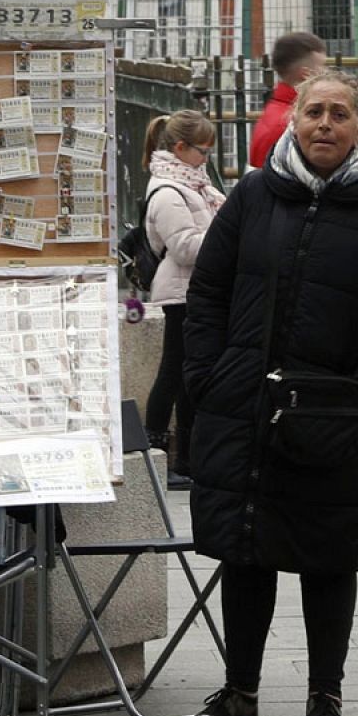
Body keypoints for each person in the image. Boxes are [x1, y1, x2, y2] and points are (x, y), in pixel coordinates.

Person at [181, 71, 358, 716]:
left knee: (327, 558)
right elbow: (207, 292)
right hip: (243, 407)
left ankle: (326, 697)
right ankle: (240, 695)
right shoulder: (254, 196)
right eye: (313, 112)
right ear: (294, 123)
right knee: (245, 551)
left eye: (340, 114)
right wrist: (210, 375)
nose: (325, 123)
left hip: (333, 418)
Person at [141, 110, 223, 490]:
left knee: (191, 377)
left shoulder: (196, 184)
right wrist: (229, 234)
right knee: (173, 373)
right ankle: (157, 451)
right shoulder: (167, 191)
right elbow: (185, 247)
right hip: (180, 293)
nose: (208, 159)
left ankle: (187, 458)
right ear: (180, 147)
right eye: (203, 151)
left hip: (199, 291)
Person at [249, 31, 326, 170]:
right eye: (322, 67)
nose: (326, 73)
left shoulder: (280, 114)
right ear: (306, 74)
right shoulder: (288, 123)